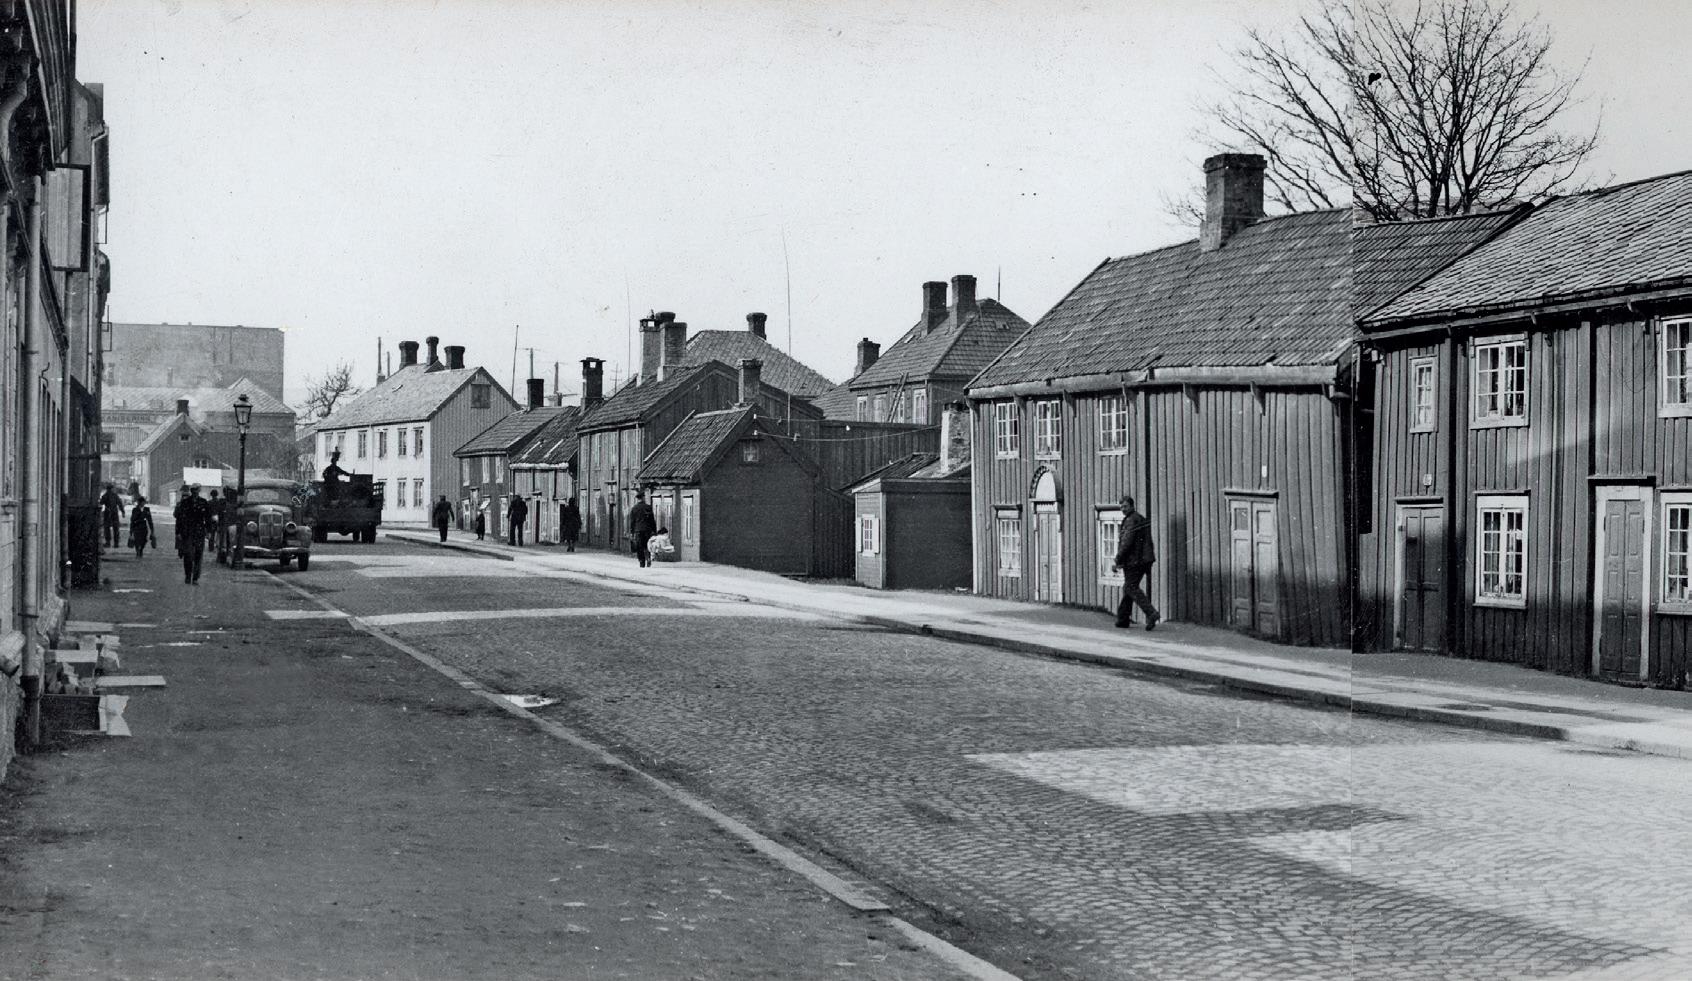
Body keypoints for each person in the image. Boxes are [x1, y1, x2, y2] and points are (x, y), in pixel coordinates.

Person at [1112, 494, 1160, 631]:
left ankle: (1151, 613)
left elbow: (1127, 542)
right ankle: (1123, 619)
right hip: (1141, 560)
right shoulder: (1138, 518)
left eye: (1125, 506)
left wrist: (1118, 559)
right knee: (1129, 587)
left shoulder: (1131, 520)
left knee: (1130, 587)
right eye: (1121, 507)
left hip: (1135, 561)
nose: (1123, 509)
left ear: (1132, 506)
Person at [175, 484, 208, 584]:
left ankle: (195, 577)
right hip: (187, 531)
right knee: (188, 554)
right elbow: (179, 518)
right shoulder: (185, 503)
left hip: (199, 532)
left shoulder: (203, 502)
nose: (195, 492)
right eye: (193, 490)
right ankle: (188, 575)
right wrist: (178, 532)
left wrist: (209, 531)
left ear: (199, 491)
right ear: (191, 491)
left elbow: (207, 518)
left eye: (197, 490)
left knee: (198, 554)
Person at [627, 489, 657, 568]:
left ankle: (641, 561)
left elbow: (632, 522)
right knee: (648, 545)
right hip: (647, 530)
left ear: (638, 499)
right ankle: (648, 558)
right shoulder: (648, 507)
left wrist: (631, 532)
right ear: (643, 498)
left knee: (639, 546)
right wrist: (654, 531)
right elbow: (652, 520)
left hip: (638, 530)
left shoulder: (634, 508)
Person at [129, 495, 156, 560]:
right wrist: (131, 531)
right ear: (140, 502)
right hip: (136, 527)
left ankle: (141, 550)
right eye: (142, 502)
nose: (144, 503)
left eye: (144, 502)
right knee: (137, 541)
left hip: (144, 528)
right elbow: (132, 520)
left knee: (144, 541)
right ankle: (138, 552)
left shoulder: (147, 509)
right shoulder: (135, 510)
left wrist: (152, 530)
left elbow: (150, 520)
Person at [99, 483, 123, 548]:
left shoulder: (105, 495)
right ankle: (116, 543)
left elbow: (101, 503)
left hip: (108, 513)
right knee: (115, 528)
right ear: (112, 489)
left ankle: (108, 543)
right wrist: (122, 511)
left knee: (107, 528)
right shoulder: (115, 495)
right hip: (114, 513)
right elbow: (120, 503)